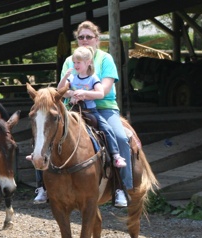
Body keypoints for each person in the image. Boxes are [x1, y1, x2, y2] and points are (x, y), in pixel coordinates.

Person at [33, 21, 131, 208]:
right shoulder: (70, 61)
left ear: (97, 40)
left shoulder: (105, 59)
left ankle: (121, 187)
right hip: (73, 107)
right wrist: (71, 94)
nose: (85, 40)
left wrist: (84, 94)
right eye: (81, 37)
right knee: (44, 134)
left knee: (120, 137)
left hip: (102, 107)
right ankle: (42, 187)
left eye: (89, 37)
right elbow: (62, 89)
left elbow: (106, 88)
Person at [58, 46, 126, 166]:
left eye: (78, 62)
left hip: (90, 110)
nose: (75, 65)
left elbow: (100, 94)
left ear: (88, 62)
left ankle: (116, 155)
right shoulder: (72, 77)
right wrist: (65, 78)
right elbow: (60, 90)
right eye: (74, 62)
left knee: (107, 128)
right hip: (73, 110)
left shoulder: (93, 78)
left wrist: (84, 93)